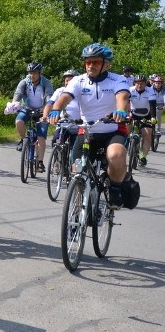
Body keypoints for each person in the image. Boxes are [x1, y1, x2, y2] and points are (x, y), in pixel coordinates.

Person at [47, 43, 130, 209]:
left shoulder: (117, 79)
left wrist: (120, 111)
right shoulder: (79, 81)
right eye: (87, 62)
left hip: (112, 130)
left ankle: (114, 189)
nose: (91, 65)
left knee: (115, 155)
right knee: (76, 169)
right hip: (87, 132)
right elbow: (65, 97)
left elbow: (122, 96)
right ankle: (77, 211)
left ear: (106, 64)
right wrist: (56, 110)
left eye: (96, 62)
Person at [11, 61, 53, 172]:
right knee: (19, 121)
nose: (32, 75)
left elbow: (49, 97)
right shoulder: (24, 82)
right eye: (30, 73)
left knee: (41, 137)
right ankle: (23, 140)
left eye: (34, 73)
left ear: (39, 73)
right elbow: (18, 94)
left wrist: (46, 114)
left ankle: (40, 163)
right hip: (27, 109)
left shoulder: (46, 83)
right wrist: (14, 103)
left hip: (42, 111)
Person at [46, 70, 80, 163]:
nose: (68, 82)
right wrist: (45, 116)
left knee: (75, 150)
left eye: (71, 80)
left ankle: (71, 167)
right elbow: (50, 103)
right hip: (63, 125)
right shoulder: (59, 91)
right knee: (55, 140)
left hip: (77, 126)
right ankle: (58, 161)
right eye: (66, 80)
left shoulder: (81, 93)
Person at [128, 74, 157, 166]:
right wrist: (127, 112)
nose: (139, 85)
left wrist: (153, 117)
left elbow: (152, 105)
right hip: (133, 114)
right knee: (126, 129)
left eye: (142, 83)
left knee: (147, 134)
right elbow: (125, 102)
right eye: (137, 83)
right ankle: (130, 144)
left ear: (145, 83)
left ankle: (143, 156)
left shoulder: (150, 90)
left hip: (146, 115)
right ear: (134, 83)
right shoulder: (130, 90)